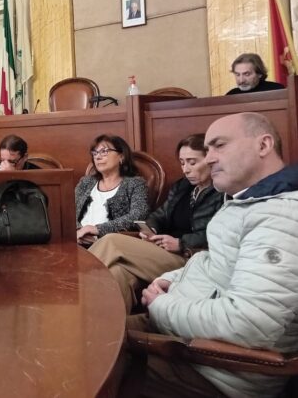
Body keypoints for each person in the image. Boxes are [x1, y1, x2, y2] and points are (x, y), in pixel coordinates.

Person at [133, 113, 298, 397]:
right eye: (207, 149)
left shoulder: (280, 217)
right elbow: (213, 261)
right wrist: (172, 279)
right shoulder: (246, 201)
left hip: (216, 370)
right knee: (87, 328)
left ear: (263, 145)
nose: (209, 159)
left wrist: (162, 306)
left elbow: (249, 323)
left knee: (89, 356)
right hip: (185, 335)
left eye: (219, 145)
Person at [89, 133, 223, 312]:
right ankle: (112, 327)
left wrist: (181, 243)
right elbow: (159, 215)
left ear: (210, 160)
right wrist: (151, 228)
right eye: (182, 163)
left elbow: (221, 236)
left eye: (192, 162)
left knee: (111, 241)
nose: (186, 169)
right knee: (117, 273)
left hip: (192, 259)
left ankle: (71, 287)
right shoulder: (182, 187)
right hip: (162, 252)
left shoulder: (223, 192)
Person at [75, 134, 148, 244]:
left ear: (121, 156)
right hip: (77, 241)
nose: (98, 157)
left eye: (104, 151)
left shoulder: (135, 184)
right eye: (95, 153)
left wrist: (98, 230)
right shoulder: (86, 182)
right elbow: (68, 212)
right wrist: (78, 232)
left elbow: (138, 215)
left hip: (112, 244)